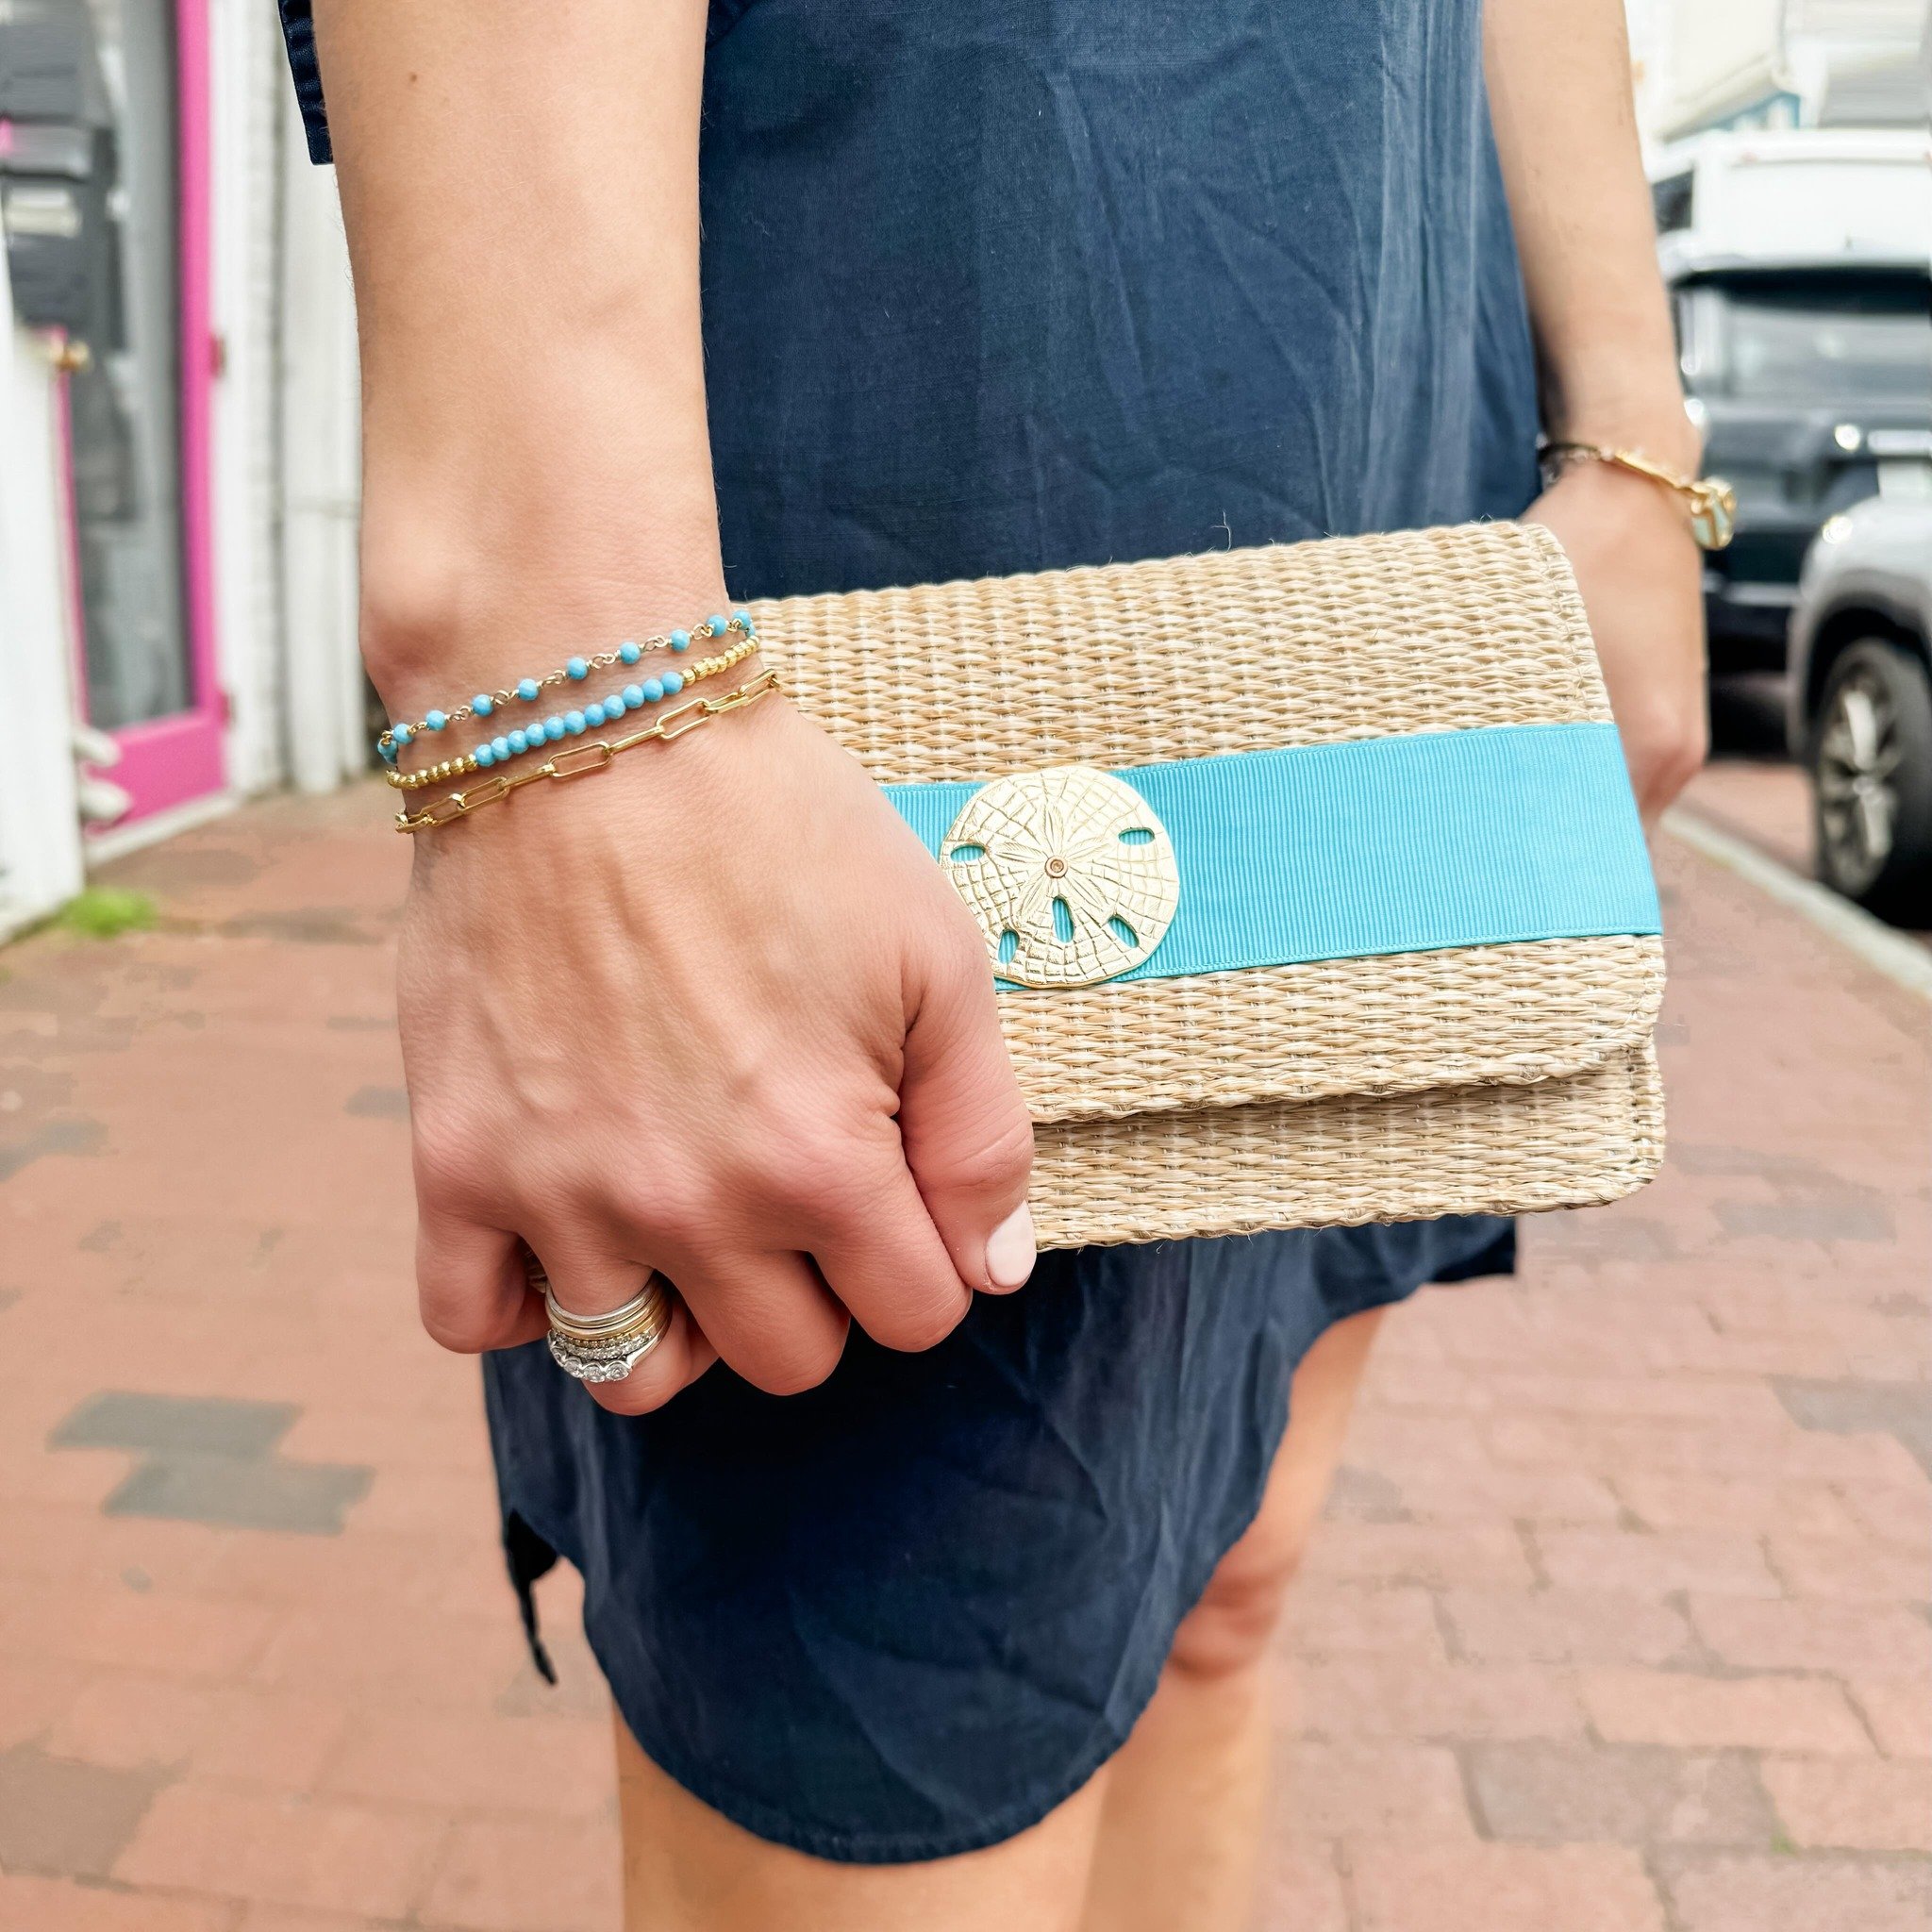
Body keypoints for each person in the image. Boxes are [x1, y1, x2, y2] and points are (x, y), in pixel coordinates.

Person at [278, 3, 1708, 1925]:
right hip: (931, 246)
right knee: (901, 1756)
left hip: (1377, 297)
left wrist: (1626, 418)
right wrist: (547, 646)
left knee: (1225, 1581)